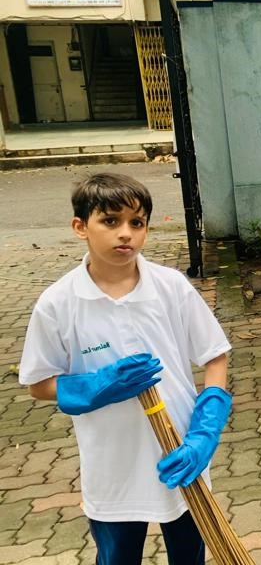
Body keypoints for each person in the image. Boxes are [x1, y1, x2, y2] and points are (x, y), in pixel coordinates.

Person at [18, 173, 233, 565]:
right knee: (117, 556)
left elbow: (215, 355)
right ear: (80, 227)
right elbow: (37, 383)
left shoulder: (170, 286)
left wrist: (205, 431)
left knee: (190, 555)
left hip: (180, 455)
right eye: (110, 221)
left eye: (137, 222)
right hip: (112, 467)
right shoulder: (58, 303)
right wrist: (97, 386)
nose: (126, 234)